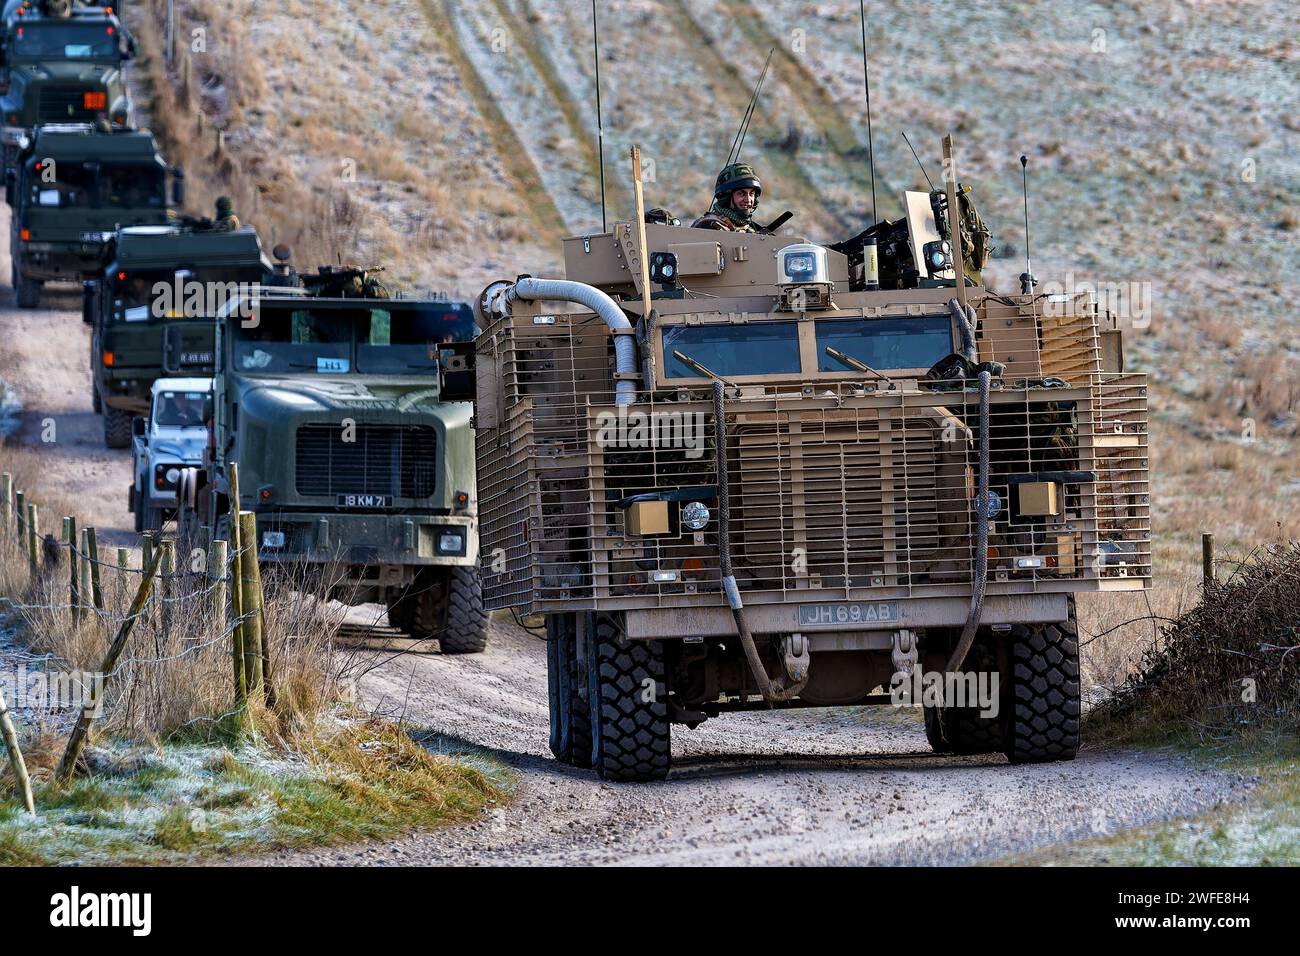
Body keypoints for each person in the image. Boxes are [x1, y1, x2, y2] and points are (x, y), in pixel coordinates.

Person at [692, 163, 762, 233]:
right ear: (727, 197)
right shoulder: (708, 226)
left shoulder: (751, 228)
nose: (748, 200)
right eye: (741, 194)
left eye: (751, 194)